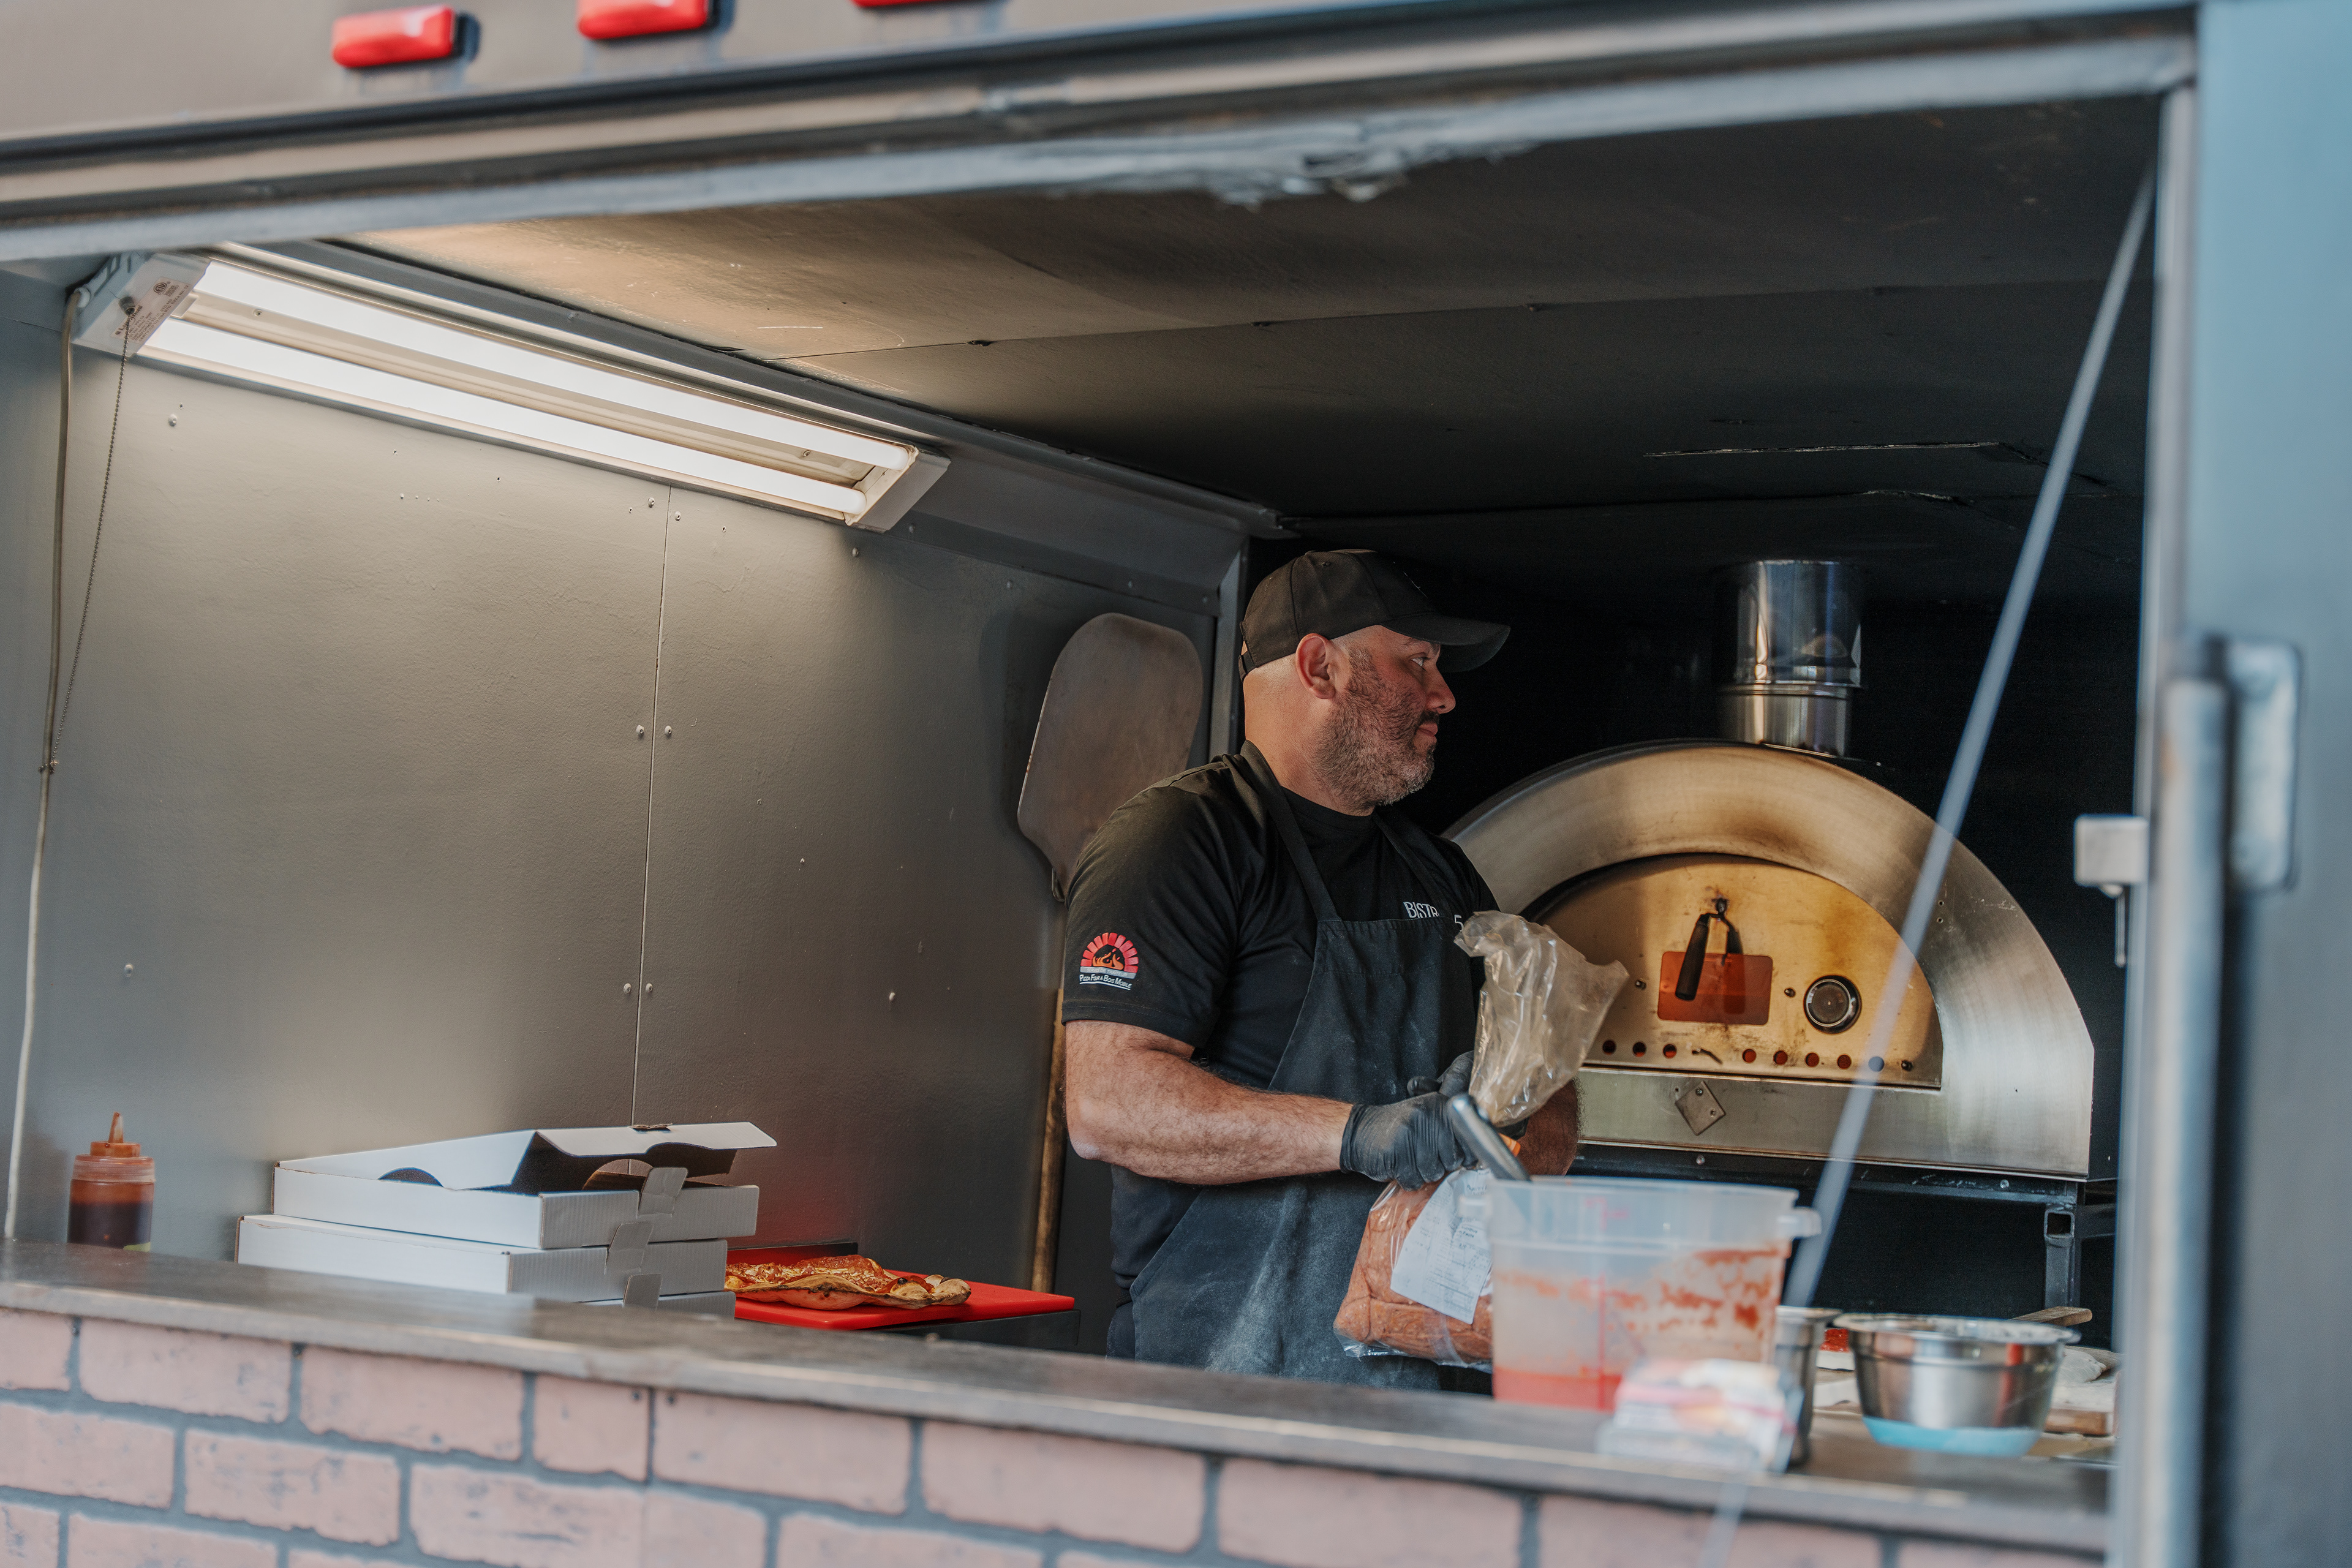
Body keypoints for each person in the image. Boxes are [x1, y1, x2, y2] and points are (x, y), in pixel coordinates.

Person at [1060, 549, 1580, 1387]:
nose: (1443, 696)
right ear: (1320, 667)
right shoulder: (1181, 844)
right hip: (1225, 1380)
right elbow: (1107, 1104)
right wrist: (1360, 1134)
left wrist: (1513, 1114)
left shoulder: (1440, 873)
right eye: (1417, 662)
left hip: (1429, 1386)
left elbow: (1553, 1106)